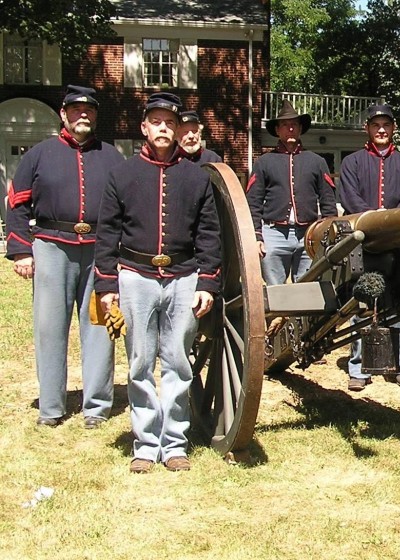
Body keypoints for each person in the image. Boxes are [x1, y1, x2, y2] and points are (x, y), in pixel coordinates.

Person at [94, 92, 221, 473]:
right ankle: (146, 445)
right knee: (139, 363)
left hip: (183, 278)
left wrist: (207, 283)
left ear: (179, 128)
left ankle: (175, 443)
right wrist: (106, 286)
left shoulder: (196, 177)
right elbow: (107, 233)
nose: (164, 128)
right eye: (157, 122)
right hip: (136, 277)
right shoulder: (122, 174)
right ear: (144, 128)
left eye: (170, 123)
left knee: (178, 363)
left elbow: (209, 234)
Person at [5, 85, 124, 428]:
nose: (82, 115)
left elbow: (124, 209)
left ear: (95, 116)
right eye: (76, 110)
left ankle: (97, 407)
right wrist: (20, 250)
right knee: (50, 327)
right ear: (64, 114)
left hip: (99, 249)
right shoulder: (38, 155)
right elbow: (17, 204)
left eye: (88, 110)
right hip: (52, 246)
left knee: (100, 325)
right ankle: (52, 407)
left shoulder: (112, 157)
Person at [339, 104, 400, 391]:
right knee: (362, 300)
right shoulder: (352, 163)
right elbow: (350, 198)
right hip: (364, 240)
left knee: (399, 300)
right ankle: (358, 368)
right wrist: (373, 223)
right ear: (368, 129)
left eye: (386, 125)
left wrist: (393, 225)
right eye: (376, 125)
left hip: (397, 242)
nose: (381, 130)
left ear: (393, 128)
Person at [246, 100, 337, 285]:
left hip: (308, 234)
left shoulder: (317, 161)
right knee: (275, 290)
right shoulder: (264, 162)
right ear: (277, 130)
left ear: (300, 128)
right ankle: (279, 316)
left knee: (307, 287)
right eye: (285, 125)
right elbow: (253, 202)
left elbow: (328, 201)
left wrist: (328, 234)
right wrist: (256, 236)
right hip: (273, 234)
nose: (290, 129)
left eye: (294, 125)